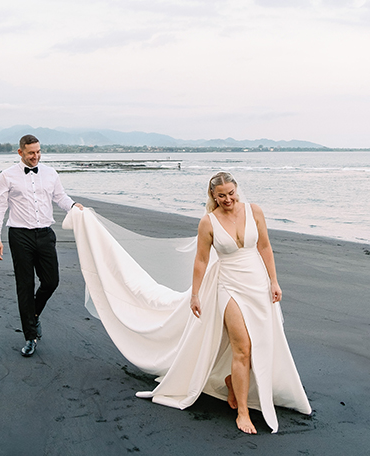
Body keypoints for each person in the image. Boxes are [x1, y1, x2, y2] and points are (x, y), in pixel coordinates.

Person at [63, 171, 311, 434]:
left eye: (231, 193)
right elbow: (201, 261)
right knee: (243, 347)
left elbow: (264, 247)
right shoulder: (208, 222)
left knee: (260, 343)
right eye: (221, 196)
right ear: (213, 197)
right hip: (228, 286)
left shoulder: (255, 211)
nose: (228, 199)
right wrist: (195, 294)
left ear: (237, 190)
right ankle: (242, 412)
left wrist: (274, 281)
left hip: (258, 284)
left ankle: (230, 382)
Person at [0, 134, 82, 357]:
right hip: (20, 236)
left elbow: (60, 197)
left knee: (51, 281)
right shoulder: (7, 176)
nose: (36, 156)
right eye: (31, 153)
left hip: (45, 235)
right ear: (20, 152)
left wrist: (74, 206)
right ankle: (30, 337)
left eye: (39, 152)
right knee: (25, 286)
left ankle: (34, 315)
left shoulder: (50, 173)